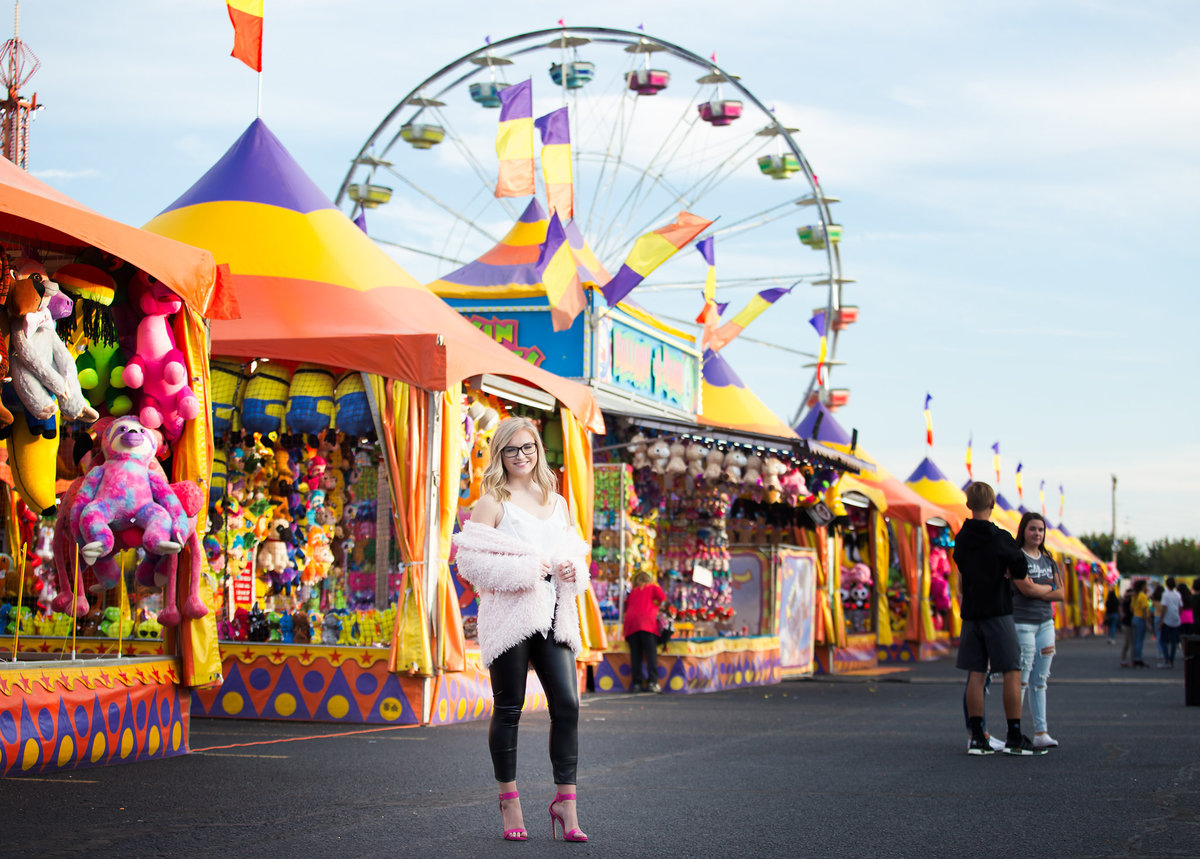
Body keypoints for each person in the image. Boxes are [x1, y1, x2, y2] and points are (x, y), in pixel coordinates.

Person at [452, 417, 590, 843]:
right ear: (499, 454)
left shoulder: (558, 500)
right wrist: (529, 568)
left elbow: (575, 552)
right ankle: (508, 798)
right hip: (511, 617)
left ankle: (565, 804)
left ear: (538, 449)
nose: (521, 456)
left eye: (528, 447)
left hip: (553, 614)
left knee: (567, 705)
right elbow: (469, 563)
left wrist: (571, 568)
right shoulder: (492, 501)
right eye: (511, 450)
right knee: (508, 708)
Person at [954, 482, 1054, 756]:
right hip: (998, 610)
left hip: (971, 612)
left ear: (968, 504)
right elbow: (1019, 566)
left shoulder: (961, 537)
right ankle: (1014, 734)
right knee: (1011, 670)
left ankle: (977, 737)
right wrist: (1008, 571)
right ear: (993, 504)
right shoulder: (1000, 537)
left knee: (976, 672)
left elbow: (961, 566)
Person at [1012, 512, 1064, 750]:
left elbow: (1062, 594)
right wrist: (1049, 588)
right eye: (1032, 529)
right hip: (1022, 623)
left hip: (1046, 624)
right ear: (1023, 530)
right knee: (1021, 679)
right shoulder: (1017, 558)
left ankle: (1041, 732)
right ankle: (1015, 732)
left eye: (1041, 530)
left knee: (1040, 680)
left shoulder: (1049, 560)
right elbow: (1026, 591)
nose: (1037, 534)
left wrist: (1041, 588)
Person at [623, 571, 667, 692]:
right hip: (647, 624)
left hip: (631, 625)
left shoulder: (632, 592)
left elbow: (626, 605)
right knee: (650, 655)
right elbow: (662, 598)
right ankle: (653, 682)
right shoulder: (653, 587)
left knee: (635, 656)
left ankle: (637, 683)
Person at [1158, 577, 1183, 668]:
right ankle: (1171, 660)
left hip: (1167, 620)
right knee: (1173, 642)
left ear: (1167, 585)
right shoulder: (1178, 594)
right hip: (1176, 619)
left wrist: (1160, 621)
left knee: (1163, 640)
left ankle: (1167, 659)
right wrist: (1178, 615)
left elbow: (1163, 608)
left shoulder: (1165, 595)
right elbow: (1181, 607)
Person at [1130, 580, 1150, 668]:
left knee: (1135, 640)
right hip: (1140, 619)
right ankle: (1138, 659)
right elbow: (1145, 609)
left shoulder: (1135, 596)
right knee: (1140, 640)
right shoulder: (1143, 596)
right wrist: (1147, 621)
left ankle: (1135, 659)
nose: (1147, 587)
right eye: (1146, 586)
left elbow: (1131, 608)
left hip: (1134, 618)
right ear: (1142, 586)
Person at [1118, 586, 1135, 667]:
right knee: (1131, 643)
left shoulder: (1124, 602)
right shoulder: (1130, 603)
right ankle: (1132, 660)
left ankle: (1123, 659)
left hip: (1125, 623)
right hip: (1129, 624)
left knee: (1127, 643)